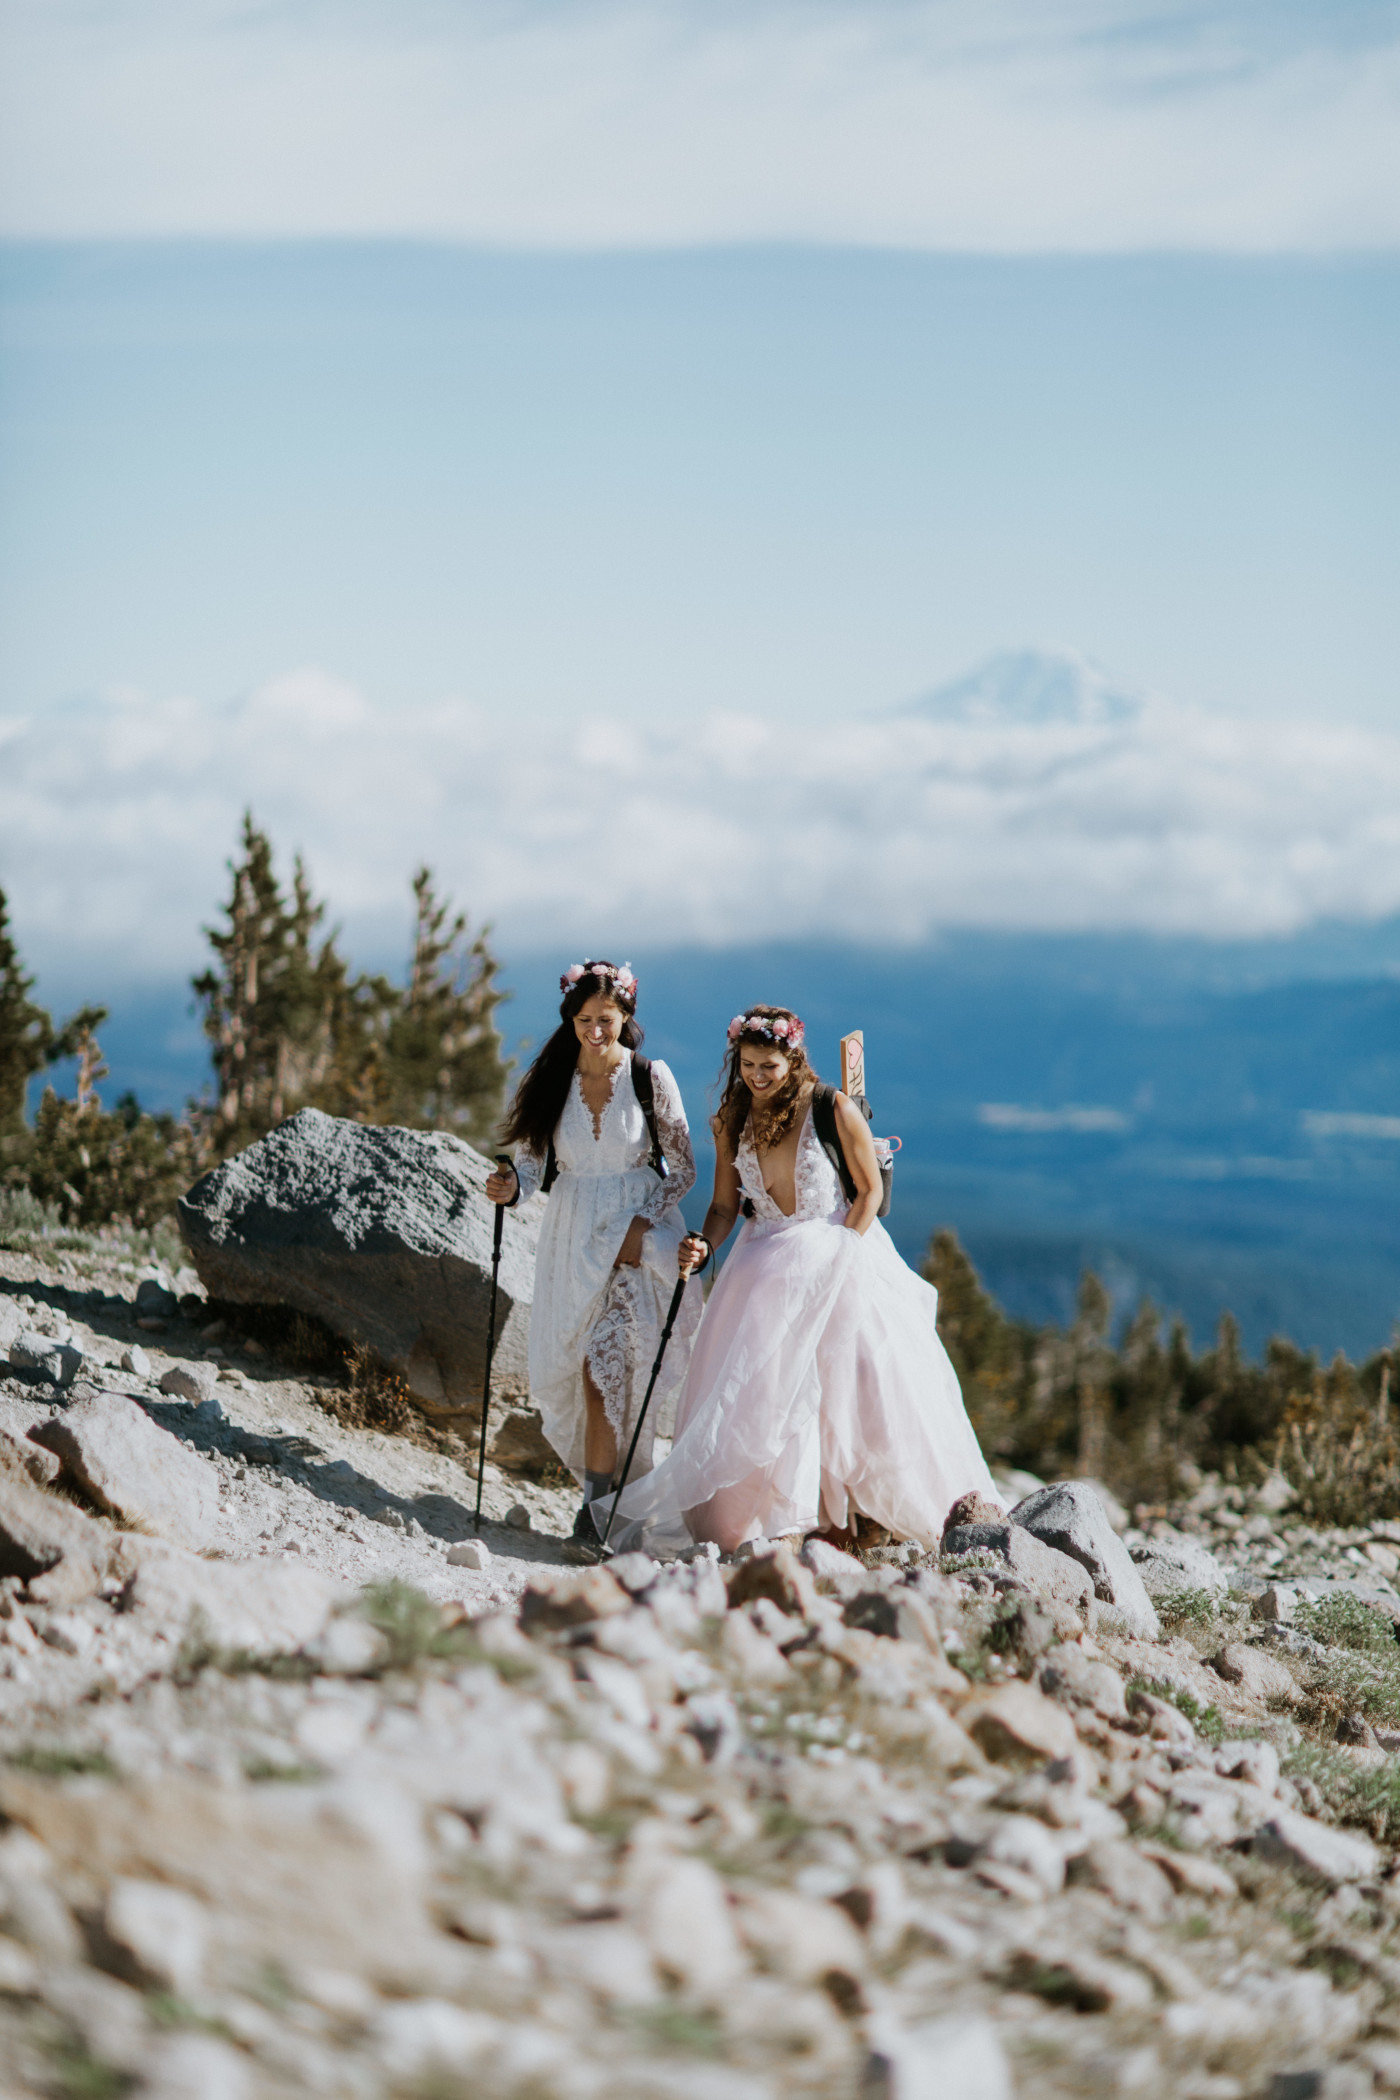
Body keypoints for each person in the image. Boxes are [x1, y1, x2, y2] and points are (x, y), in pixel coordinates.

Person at [595, 1004, 1001, 1557]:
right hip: (761, 1269)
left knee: (861, 1382)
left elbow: (868, 1193)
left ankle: (862, 1516)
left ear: (793, 1059)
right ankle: (788, 1517)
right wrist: (704, 1243)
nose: (757, 1077)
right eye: (748, 1065)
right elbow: (722, 1206)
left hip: (840, 1252)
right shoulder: (730, 1120)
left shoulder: (830, 1107)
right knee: (771, 1392)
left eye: (769, 1066)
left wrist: (840, 1253)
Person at [485, 960, 701, 1543]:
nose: (595, 1030)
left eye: (606, 1019)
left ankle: (596, 1514)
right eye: (584, 1020)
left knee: (603, 1365)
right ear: (571, 1018)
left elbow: (682, 1169)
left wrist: (643, 1224)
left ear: (626, 1016)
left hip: (633, 1237)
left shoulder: (650, 1077)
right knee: (577, 1368)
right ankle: (608, 1503)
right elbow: (531, 1166)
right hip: (571, 1235)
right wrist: (513, 1186)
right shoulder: (554, 1077)